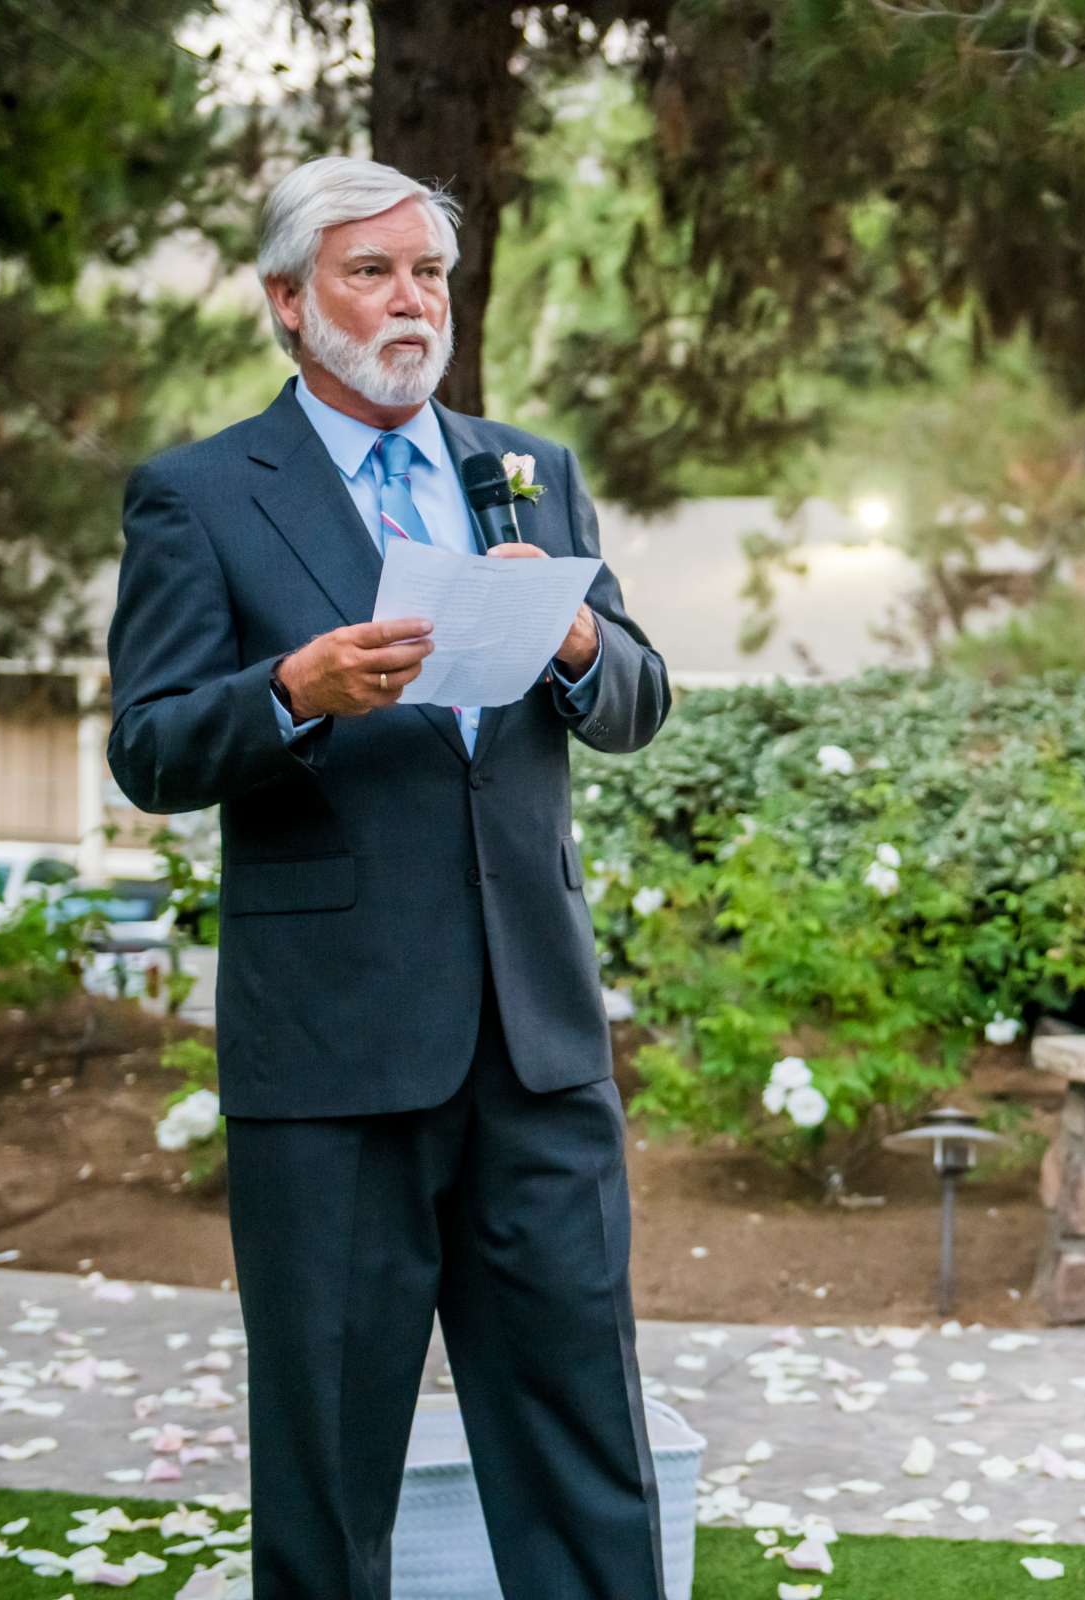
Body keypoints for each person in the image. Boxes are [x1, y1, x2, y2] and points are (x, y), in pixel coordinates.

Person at [105, 156, 673, 1599]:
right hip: (332, 1059)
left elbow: (637, 700)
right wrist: (290, 692)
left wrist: (577, 646)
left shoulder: (527, 467)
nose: (412, 300)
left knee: (584, 1448)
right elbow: (152, 748)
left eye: (429, 272)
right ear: (291, 305)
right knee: (329, 1467)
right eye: (374, 273)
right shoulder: (199, 496)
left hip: (537, 1048)